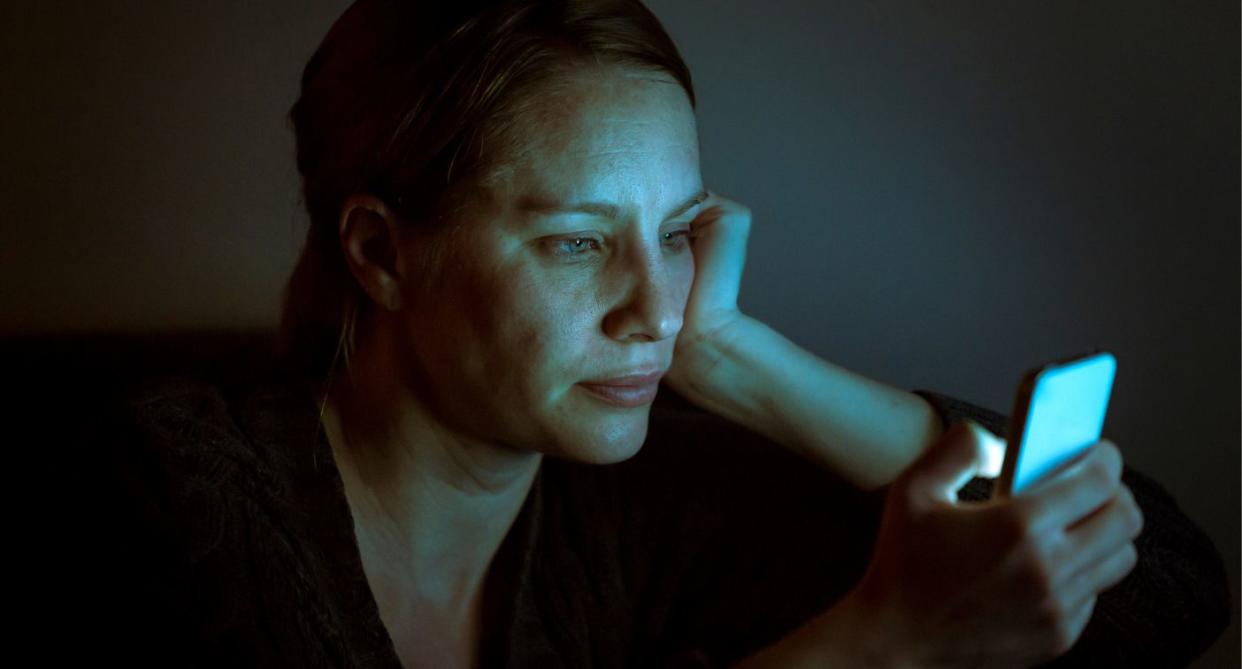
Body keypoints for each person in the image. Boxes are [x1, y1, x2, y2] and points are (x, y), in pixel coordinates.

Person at [84, 0, 1183, 667]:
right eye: (576, 243)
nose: (655, 307)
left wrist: (734, 358)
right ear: (382, 252)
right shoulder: (168, 497)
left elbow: (1157, 596)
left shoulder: (639, 499)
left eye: (678, 233)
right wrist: (883, 643)